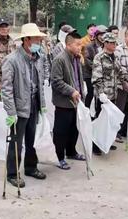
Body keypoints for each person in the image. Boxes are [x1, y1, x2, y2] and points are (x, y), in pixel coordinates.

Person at [1, 23, 48, 188]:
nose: (39, 42)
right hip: (19, 108)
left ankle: (30, 167)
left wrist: (42, 104)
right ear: (26, 40)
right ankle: (12, 173)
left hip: (33, 105)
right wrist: (11, 111)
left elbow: (40, 82)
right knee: (16, 141)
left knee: (31, 140)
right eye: (36, 39)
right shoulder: (11, 60)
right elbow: (6, 89)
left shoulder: (39, 57)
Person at [50, 31, 86, 170]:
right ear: (68, 44)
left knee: (74, 129)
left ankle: (71, 151)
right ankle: (59, 157)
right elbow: (56, 81)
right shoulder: (60, 59)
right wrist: (71, 91)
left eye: (81, 45)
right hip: (64, 102)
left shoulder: (76, 58)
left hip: (76, 100)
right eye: (77, 45)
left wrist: (81, 92)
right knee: (61, 131)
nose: (80, 47)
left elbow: (77, 78)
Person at [92, 32, 128, 155]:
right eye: (112, 43)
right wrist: (101, 93)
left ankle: (107, 142)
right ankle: (96, 146)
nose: (115, 45)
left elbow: (120, 71)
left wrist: (127, 80)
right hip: (103, 96)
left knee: (109, 121)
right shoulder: (99, 57)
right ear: (106, 43)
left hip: (113, 95)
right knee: (100, 121)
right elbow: (97, 78)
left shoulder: (115, 57)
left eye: (115, 43)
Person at [83, 25, 107, 109]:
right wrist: (98, 69)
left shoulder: (106, 46)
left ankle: (97, 112)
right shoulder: (89, 46)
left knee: (100, 94)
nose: (102, 37)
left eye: (104, 35)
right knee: (91, 93)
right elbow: (87, 61)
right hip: (90, 74)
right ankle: (86, 110)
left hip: (102, 75)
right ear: (96, 35)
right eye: (100, 35)